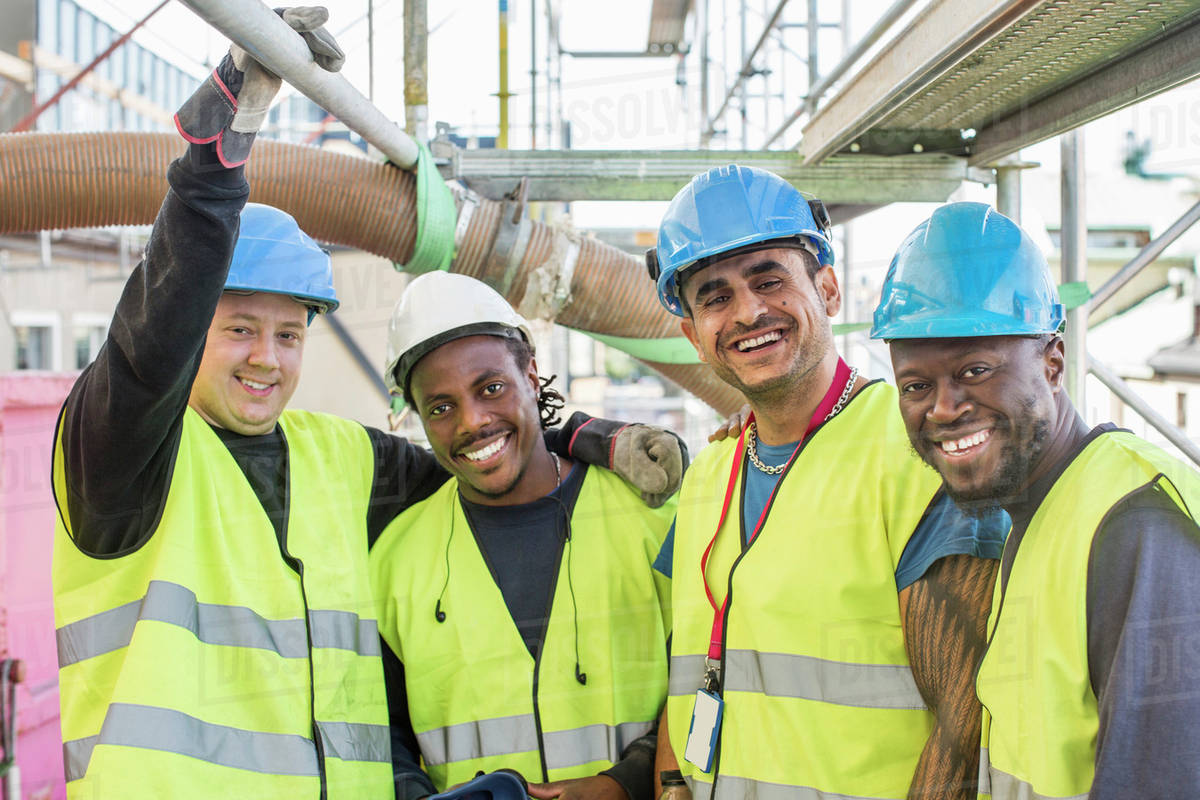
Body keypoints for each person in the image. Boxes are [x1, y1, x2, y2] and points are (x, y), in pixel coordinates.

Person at [50, 12, 682, 798]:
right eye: (239, 328)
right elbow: (148, 349)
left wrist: (595, 436)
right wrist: (221, 147)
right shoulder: (123, 459)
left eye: (289, 334)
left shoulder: (341, 458)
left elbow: (487, 456)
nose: (266, 357)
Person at [646, 165, 1007, 800]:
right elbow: (693, 664)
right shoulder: (709, 474)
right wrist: (673, 782)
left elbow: (967, 721)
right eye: (715, 296)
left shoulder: (918, 455)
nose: (748, 311)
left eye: (769, 280)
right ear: (693, 336)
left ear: (829, 289)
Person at [872, 201, 1200, 799]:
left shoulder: (1133, 526)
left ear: (1053, 362)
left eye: (974, 370)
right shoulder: (1036, 510)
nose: (943, 408)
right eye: (917, 385)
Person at [370, 271, 679, 800]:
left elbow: (707, 675)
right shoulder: (396, 559)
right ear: (417, 415)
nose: (472, 421)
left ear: (531, 377)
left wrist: (624, 784)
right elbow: (382, 731)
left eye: (491, 388)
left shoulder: (651, 519)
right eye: (440, 408)